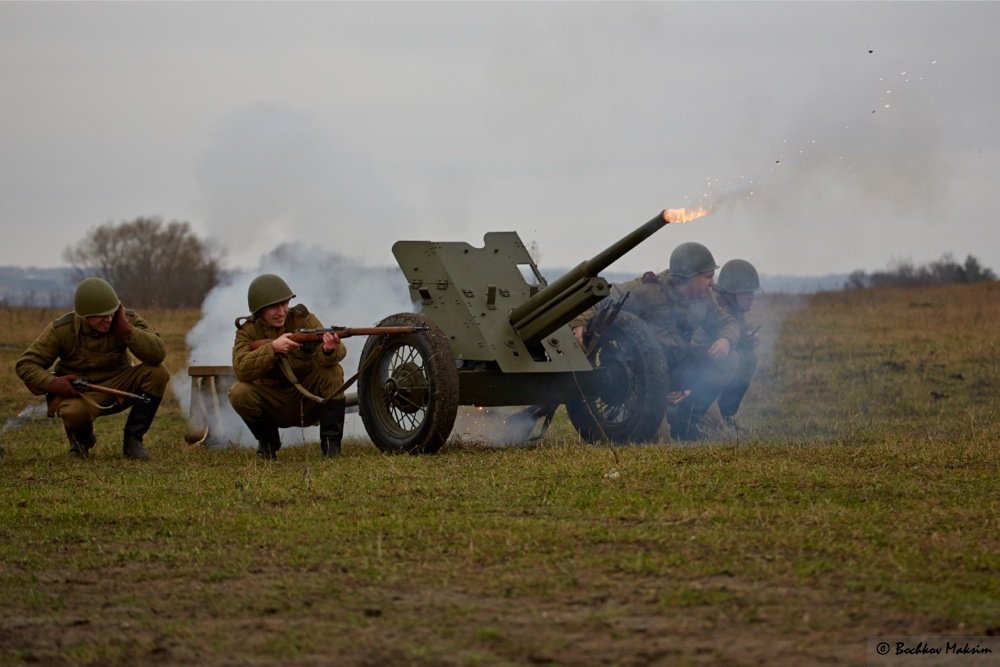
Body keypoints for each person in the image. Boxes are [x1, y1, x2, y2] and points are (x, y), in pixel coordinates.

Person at [571, 242, 740, 441]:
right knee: (657, 439)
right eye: (707, 277)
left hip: (679, 367)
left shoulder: (704, 299)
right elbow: (602, 298)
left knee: (730, 359)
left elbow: (727, 322)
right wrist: (579, 322)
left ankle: (686, 423)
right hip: (644, 378)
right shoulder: (647, 291)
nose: (712, 283)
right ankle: (628, 415)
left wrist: (725, 339)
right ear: (687, 277)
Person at [15, 277, 169, 459]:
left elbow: (157, 354)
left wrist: (127, 329)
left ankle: (133, 440)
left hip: (120, 385)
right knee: (73, 413)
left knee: (158, 373)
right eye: (102, 316)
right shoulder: (62, 330)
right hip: (82, 392)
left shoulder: (124, 319)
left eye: (112, 313)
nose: (109, 319)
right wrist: (53, 383)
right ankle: (81, 441)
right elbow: (25, 364)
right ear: (85, 315)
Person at [228, 274, 347, 460]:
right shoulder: (248, 331)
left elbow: (337, 353)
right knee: (238, 392)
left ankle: (332, 445)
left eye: (284, 304)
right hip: (272, 401)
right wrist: (272, 349)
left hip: (307, 399)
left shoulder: (304, 320)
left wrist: (328, 349)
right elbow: (241, 369)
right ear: (260, 310)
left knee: (333, 371)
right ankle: (268, 445)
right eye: (274, 307)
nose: (281, 311)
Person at [710, 259, 762, 431]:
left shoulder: (735, 311)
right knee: (735, 359)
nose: (751, 297)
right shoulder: (714, 309)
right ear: (731, 293)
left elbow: (739, 328)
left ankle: (725, 414)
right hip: (698, 377)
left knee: (748, 357)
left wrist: (748, 339)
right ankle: (710, 416)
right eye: (746, 292)